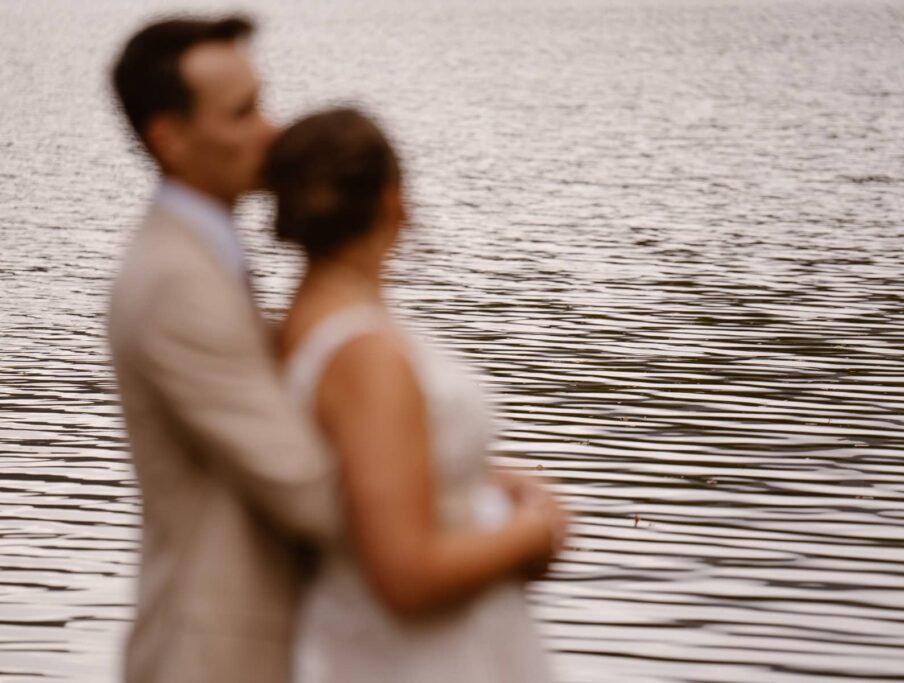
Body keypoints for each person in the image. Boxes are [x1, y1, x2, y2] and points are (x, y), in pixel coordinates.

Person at [264, 108, 568, 683]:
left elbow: (362, 468)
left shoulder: (301, 324)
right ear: (392, 202)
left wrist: (493, 480)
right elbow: (405, 575)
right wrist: (535, 530)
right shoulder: (364, 352)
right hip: (420, 657)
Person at [106, 17, 338, 683]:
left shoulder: (205, 255)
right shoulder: (175, 282)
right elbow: (305, 487)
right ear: (170, 139)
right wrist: (489, 519)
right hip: (208, 656)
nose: (270, 129)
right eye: (242, 113)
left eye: (262, 101)